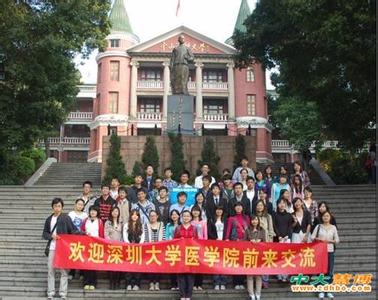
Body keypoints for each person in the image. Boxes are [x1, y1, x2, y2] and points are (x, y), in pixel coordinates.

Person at [43, 198, 79, 300]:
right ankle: (50, 293)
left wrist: (84, 233)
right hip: (52, 248)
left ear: (62, 207)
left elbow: (73, 230)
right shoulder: (49, 219)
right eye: (55, 206)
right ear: (52, 207)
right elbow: (44, 233)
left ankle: (63, 293)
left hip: (63, 248)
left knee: (64, 271)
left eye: (59, 206)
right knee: (50, 270)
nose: (57, 208)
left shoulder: (66, 218)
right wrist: (51, 236)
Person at [312, 211, 340, 300]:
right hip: (320, 252)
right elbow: (312, 237)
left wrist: (329, 241)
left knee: (329, 271)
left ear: (330, 217)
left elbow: (337, 240)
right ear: (322, 217)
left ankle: (328, 290)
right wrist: (318, 239)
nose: (326, 217)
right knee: (320, 271)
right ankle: (320, 290)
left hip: (330, 251)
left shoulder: (333, 227)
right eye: (324, 216)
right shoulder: (318, 226)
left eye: (327, 216)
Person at [174, 210, 198, 300]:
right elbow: (174, 241)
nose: (186, 218)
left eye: (188, 216)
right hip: (180, 254)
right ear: (181, 217)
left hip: (191, 255)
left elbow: (197, 242)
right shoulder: (178, 228)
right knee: (181, 275)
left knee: (190, 275)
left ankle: (189, 295)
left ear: (191, 217)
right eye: (184, 216)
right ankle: (182, 295)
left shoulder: (194, 228)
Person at [225, 202, 250, 289]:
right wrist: (227, 239)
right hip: (235, 243)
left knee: (243, 263)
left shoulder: (246, 218)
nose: (238, 208)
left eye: (240, 206)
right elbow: (228, 230)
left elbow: (249, 230)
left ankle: (241, 282)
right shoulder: (231, 218)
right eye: (237, 206)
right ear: (234, 208)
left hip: (244, 243)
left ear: (243, 208)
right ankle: (236, 283)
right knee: (236, 262)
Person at [80, 206, 104, 290]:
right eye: (91, 211)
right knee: (86, 264)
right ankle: (86, 282)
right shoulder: (85, 221)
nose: (93, 212)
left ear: (97, 212)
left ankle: (93, 282)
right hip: (86, 245)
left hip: (96, 246)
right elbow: (81, 231)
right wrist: (85, 233)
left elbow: (101, 234)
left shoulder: (100, 222)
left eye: (94, 211)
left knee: (93, 265)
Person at [254, 200, 275, 289]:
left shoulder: (268, 216)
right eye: (258, 205)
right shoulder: (253, 217)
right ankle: (257, 280)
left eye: (261, 205)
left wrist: (270, 242)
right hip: (256, 241)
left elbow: (271, 229)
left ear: (264, 206)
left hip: (266, 241)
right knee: (257, 261)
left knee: (266, 261)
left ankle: (265, 280)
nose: (259, 207)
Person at [273, 198, 294, 282]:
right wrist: (279, 236)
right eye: (280, 203)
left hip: (286, 239)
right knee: (278, 257)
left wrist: (287, 236)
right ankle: (279, 275)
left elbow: (290, 226)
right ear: (277, 205)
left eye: (283, 203)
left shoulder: (289, 215)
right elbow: (274, 226)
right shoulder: (274, 214)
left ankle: (285, 275)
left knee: (286, 258)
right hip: (278, 239)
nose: (282, 204)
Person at [123, 210, 145, 290]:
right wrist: (128, 244)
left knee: (137, 267)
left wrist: (139, 245)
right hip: (128, 248)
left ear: (138, 216)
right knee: (128, 266)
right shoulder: (126, 225)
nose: (134, 216)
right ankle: (128, 283)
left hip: (138, 249)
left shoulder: (141, 225)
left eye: (136, 215)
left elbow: (143, 236)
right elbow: (124, 236)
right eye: (133, 214)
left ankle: (137, 284)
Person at [245, 215, 266, 300]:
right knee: (249, 276)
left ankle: (258, 294)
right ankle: (251, 294)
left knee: (258, 275)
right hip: (249, 255)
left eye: (256, 220)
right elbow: (244, 242)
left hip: (259, 255)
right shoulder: (247, 230)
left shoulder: (262, 230)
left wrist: (260, 241)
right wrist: (250, 241)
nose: (254, 221)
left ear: (258, 221)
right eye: (253, 220)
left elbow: (265, 243)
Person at [144, 210, 165, 290]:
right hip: (149, 249)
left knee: (158, 267)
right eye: (151, 216)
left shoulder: (161, 224)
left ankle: (157, 283)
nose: (152, 217)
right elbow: (146, 237)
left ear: (157, 216)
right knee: (150, 267)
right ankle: (151, 283)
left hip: (159, 249)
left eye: (154, 215)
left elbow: (163, 237)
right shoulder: (146, 225)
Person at [207, 205, 227, 290]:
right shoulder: (211, 220)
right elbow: (209, 232)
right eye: (217, 210)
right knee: (215, 263)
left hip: (224, 244)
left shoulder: (225, 220)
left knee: (223, 263)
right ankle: (216, 282)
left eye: (220, 210)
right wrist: (215, 238)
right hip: (214, 244)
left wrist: (226, 239)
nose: (219, 211)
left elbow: (228, 231)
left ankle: (223, 282)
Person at [67, 198, 88, 280]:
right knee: (73, 255)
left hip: (82, 238)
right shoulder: (71, 214)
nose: (80, 206)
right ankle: (72, 272)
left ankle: (82, 273)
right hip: (72, 237)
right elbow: (68, 225)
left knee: (82, 255)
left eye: (82, 205)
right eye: (78, 204)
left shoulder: (85, 215)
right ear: (75, 205)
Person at [105, 207, 123, 290]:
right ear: (111, 212)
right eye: (114, 211)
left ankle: (117, 282)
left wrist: (121, 243)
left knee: (119, 265)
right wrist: (110, 242)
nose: (115, 213)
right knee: (111, 265)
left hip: (120, 246)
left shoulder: (121, 222)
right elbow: (106, 234)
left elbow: (123, 234)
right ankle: (111, 282)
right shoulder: (107, 222)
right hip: (110, 246)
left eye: (117, 211)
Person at [190, 206, 207, 290]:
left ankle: (199, 284)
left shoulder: (203, 222)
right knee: (193, 265)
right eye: (194, 211)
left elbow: (205, 235)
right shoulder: (190, 222)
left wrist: (204, 246)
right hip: (192, 246)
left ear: (200, 212)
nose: (195, 212)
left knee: (200, 265)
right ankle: (193, 284)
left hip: (201, 246)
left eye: (197, 211)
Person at [165, 209, 181, 291]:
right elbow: (166, 236)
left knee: (179, 267)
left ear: (179, 215)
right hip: (171, 248)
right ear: (171, 216)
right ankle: (173, 284)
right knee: (172, 266)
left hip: (180, 249)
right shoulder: (168, 225)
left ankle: (179, 284)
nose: (174, 216)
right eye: (172, 214)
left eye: (176, 214)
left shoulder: (181, 225)